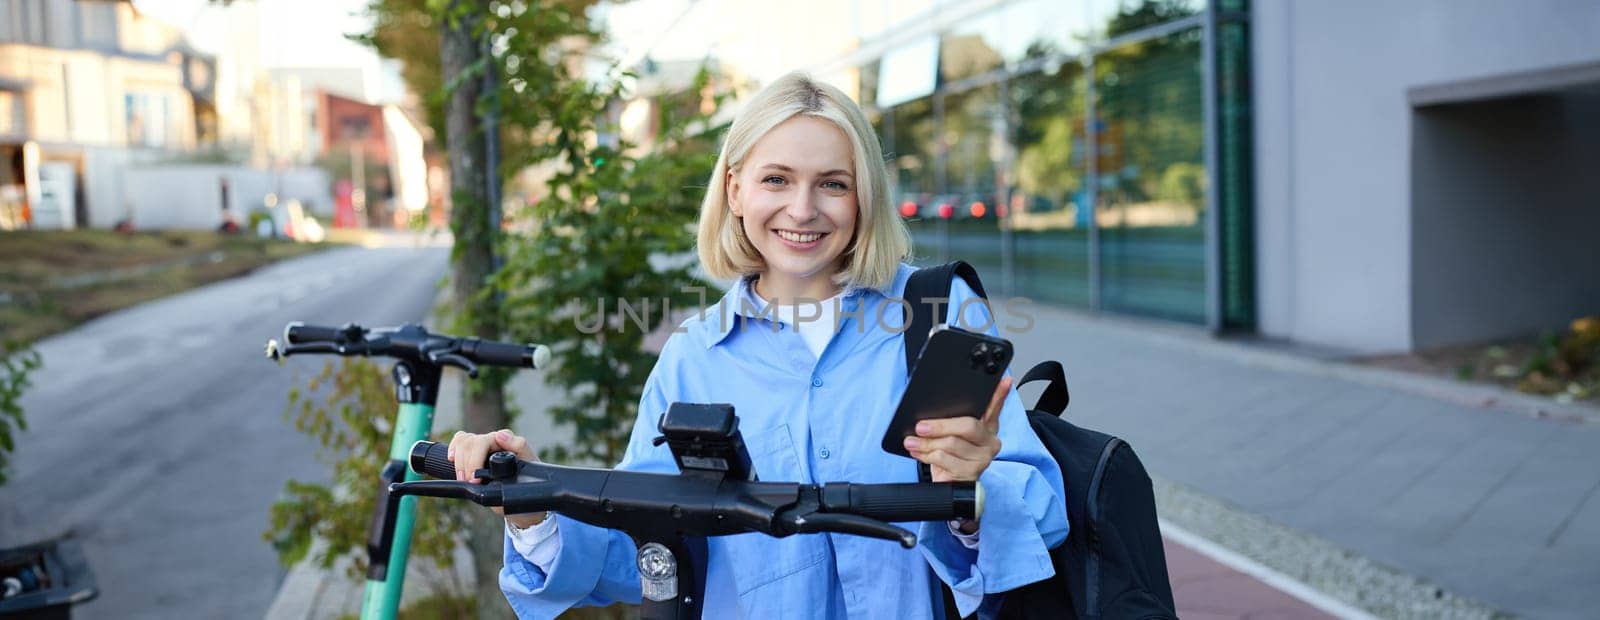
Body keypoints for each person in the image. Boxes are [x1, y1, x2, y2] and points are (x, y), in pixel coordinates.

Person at [449, 71, 1067, 619]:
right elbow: (644, 552)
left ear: (864, 197)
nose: (802, 210)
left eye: (832, 184)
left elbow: (1045, 520)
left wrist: (972, 491)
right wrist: (532, 503)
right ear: (736, 189)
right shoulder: (694, 359)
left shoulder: (940, 313)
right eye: (777, 179)